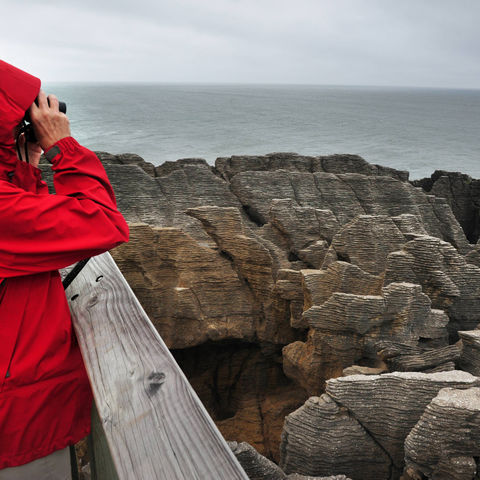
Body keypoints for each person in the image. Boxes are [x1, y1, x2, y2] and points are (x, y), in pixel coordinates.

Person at [0, 60, 129, 478]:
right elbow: (102, 222)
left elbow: (27, 228)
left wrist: (26, 160)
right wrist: (63, 149)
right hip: (19, 426)